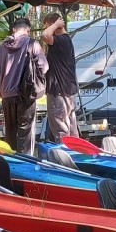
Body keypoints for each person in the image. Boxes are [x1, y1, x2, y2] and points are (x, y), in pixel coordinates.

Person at [0, 17, 47, 156]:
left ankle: (10, 163)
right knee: (26, 135)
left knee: (10, 134)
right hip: (26, 96)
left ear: (14, 30)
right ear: (28, 30)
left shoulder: (2, 46)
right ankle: (25, 164)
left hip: (7, 97)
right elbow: (44, 67)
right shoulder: (33, 44)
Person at [39, 12, 79, 142]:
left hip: (59, 91)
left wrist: (55, 24)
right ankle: (75, 152)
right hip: (67, 90)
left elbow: (45, 36)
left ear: (54, 25)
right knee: (71, 127)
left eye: (48, 26)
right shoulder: (66, 40)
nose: (48, 29)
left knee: (61, 128)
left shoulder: (61, 40)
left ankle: (63, 153)